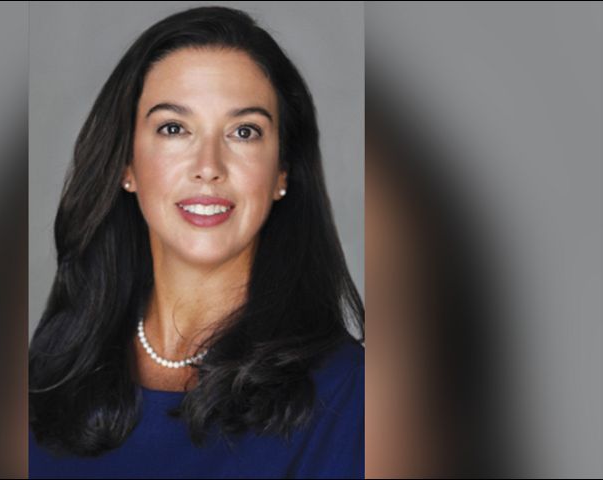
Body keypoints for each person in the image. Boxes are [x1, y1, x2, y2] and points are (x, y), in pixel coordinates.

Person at [29, 6, 364, 478]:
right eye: (174, 128)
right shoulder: (49, 375)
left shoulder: (351, 399)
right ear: (127, 164)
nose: (209, 166)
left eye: (244, 132)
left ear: (281, 173)